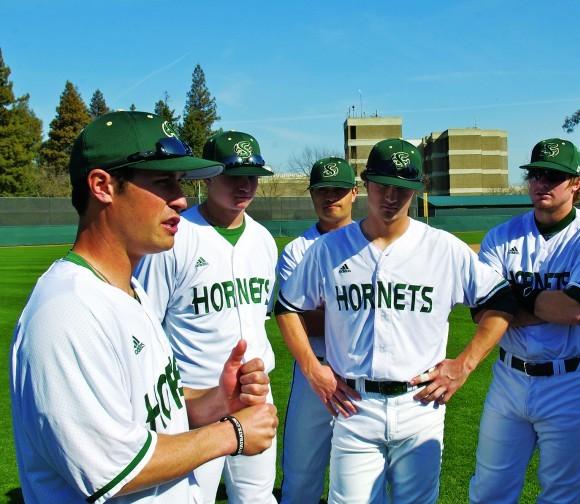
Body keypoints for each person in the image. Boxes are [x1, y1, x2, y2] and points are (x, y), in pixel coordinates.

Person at [9, 111, 278, 503]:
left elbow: (153, 411)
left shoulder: (129, 290)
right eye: (163, 182)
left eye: (180, 182)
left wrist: (218, 402)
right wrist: (230, 433)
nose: (181, 199)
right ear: (102, 186)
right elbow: (113, 468)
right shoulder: (67, 312)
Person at [275, 138, 517, 504]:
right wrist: (312, 369)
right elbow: (287, 306)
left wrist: (464, 365)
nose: (390, 196)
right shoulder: (328, 248)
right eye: (382, 184)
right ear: (366, 183)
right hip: (354, 406)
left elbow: (501, 302)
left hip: (419, 404)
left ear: (418, 189)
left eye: (402, 188)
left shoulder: (443, 248)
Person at [470, 138, 580, 503]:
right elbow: (483, 312)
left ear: (576, 183)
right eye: (536, 174)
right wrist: (545, 303)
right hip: (509, 380)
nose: (541, 183)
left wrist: (511, 296)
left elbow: (576, 311)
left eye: (553, 176)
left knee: (562, 496)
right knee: (488, 491)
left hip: (570, 383)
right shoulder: (501, 236)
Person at [134, 130, 278, 503]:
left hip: (256, 394)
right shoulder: (174, 238)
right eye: (233, 175)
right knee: (188, 497)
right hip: (192, 400)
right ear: (208, 176)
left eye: (252, 176)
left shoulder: (263, 239)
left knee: (258, 497)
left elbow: (260, 314)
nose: (245, 185)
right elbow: (146, 324)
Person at [277, 156, 359, 503]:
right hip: (314, 366)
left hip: (362, 372)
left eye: (338, 189)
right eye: (322, 190)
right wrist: (359, 311)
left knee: (359, 477)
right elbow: (298, 317)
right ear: (311, 195)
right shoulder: (297, 250)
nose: (330, 197)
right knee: (301, 474)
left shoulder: (372, 242)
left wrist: (327, 307)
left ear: (354, 193)